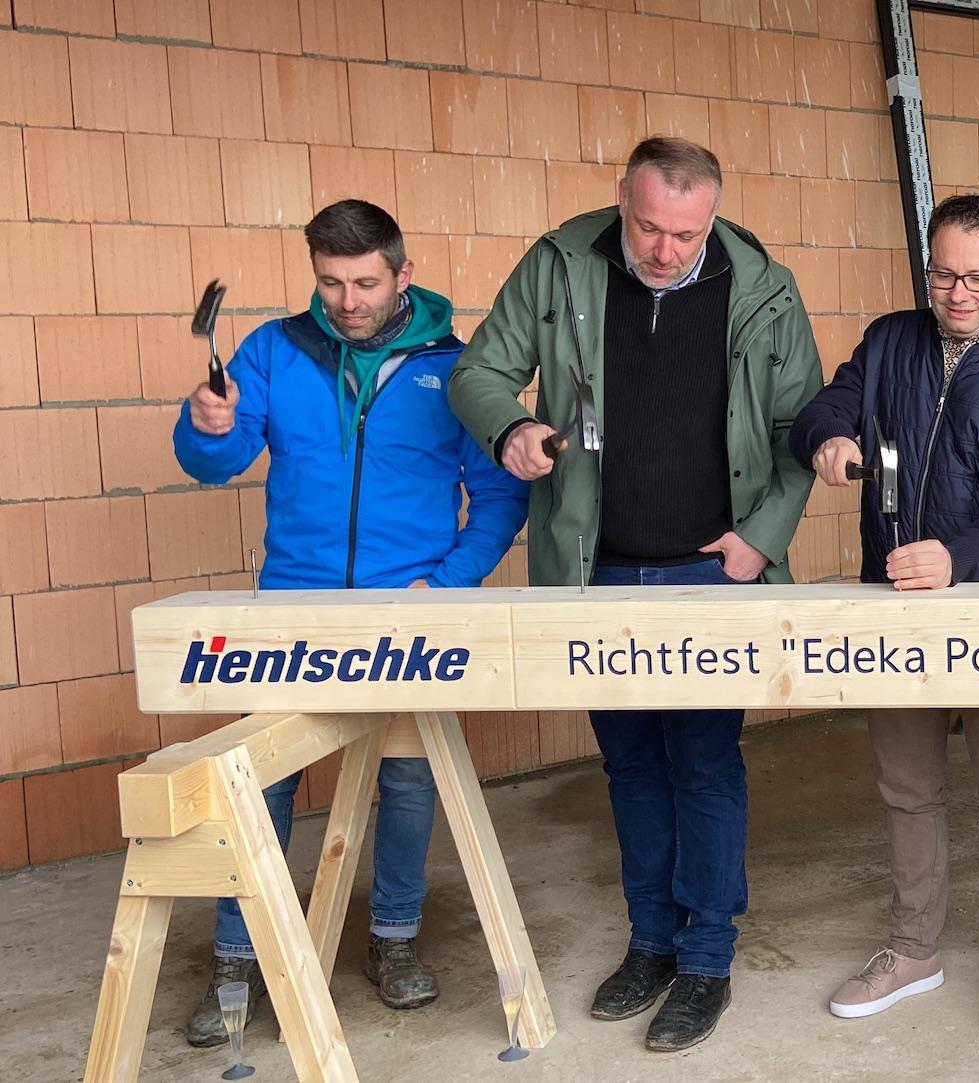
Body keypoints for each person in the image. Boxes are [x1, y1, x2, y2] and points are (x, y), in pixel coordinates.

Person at [447, 136, 822, 1052]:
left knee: (703, 762)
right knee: (630, 765)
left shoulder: (763, 287)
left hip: (711, 572)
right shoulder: (560, 262)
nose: (664, 250)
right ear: (622, 202)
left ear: (714, 216)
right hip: (596, 567)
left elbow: (800, 427)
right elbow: (478, 372)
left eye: (685, 234)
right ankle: (650, 941)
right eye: (649, 227)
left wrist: (758, 541)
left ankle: (708, 959)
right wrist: (513, 430)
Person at [171, 199, 529, 1046]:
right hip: (292, 604)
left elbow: (503, 492)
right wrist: (207, 425)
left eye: (365, 281)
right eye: (330, 281)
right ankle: (235, 954)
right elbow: (211, 463)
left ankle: (393, 940)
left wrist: (446, 585)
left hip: (408, 609)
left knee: (406, 777)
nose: (347, 299)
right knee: (259, 780)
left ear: (404, 273)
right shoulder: (271, 350)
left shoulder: (458, 367)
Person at [791, 193, 979, 1052]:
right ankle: (915, 947)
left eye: (978, 278)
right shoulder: (890, 341)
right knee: (906, 785)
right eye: (945, 273)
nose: (958, 293)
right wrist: (830, 439)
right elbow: (823, 407)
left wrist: (958, 557)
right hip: (895, 604)